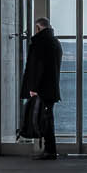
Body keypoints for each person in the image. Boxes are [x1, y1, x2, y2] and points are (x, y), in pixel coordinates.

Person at [23, 16, 62, 158]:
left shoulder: (40, 43)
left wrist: (33, 88)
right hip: (52, 88)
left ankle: (50, 151)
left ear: (38, 27)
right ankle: (49, 150)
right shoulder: (55, 42)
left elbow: (37, 68)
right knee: (47, 118)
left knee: (45, 120)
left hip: (42, 89)